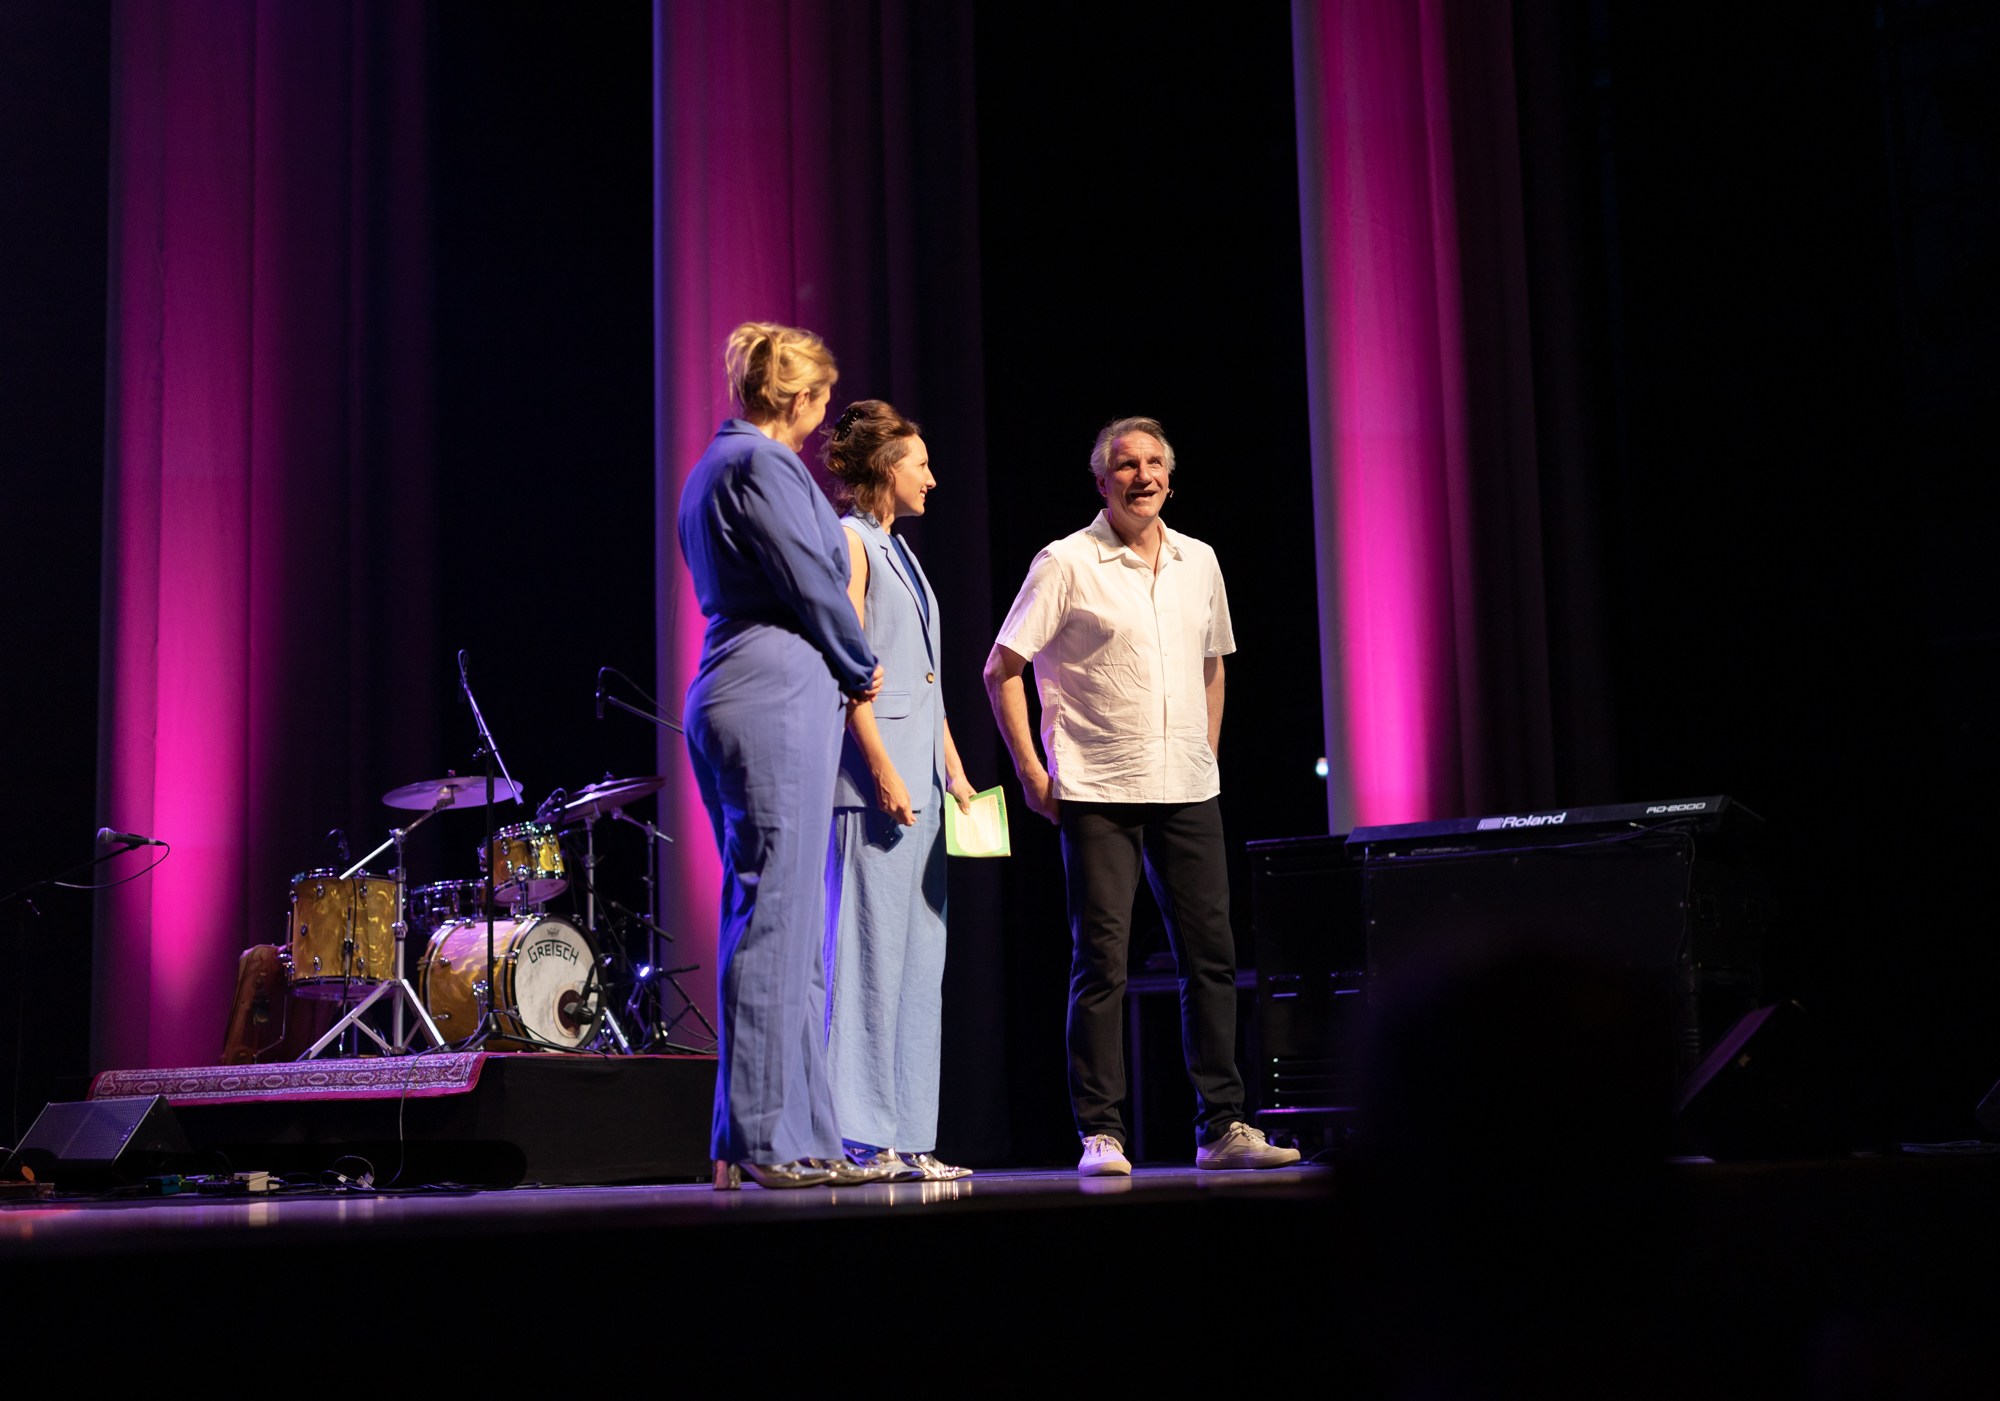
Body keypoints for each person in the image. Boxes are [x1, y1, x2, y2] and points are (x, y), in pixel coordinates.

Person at [984, 416, 1301, 1176]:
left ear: (1170, 474)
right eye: (1125, 464)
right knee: (1102, 961)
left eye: (1154, 461)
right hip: (1098, 785)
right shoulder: (1067, 560)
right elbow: (1002, 667)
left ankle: (1221, 1125)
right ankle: (1102, 1133)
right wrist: (1033, 773)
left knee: (1212, 958)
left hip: (1188, 787)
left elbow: (1213, 664)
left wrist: (1205, 749)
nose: (1142, 475)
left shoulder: (1201, 561)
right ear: (1102, 481)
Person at [678, 321, 893, 1191]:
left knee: (796, 927)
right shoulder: (758, 466)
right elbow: (812, 576)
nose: (822, 417)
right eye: (820, 401)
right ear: (797, 398)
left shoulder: (716, 466)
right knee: (774, 919)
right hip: (770, 685)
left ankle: (803, 1135)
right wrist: (859, 659)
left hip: (761, 684)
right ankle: (765, 1136)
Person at [820, 400, 981, 1184]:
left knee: (923, 962)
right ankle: (861, 1132)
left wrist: (951, 766)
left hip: (922, 781)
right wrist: (881, 765)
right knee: (871, 958)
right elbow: (848, 667)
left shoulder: (902, 552)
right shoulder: (850, 542)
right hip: (873, 781)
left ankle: (912, 1131)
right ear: (887, 469)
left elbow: (925, 674)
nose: (933, 477)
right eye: (920, 464)